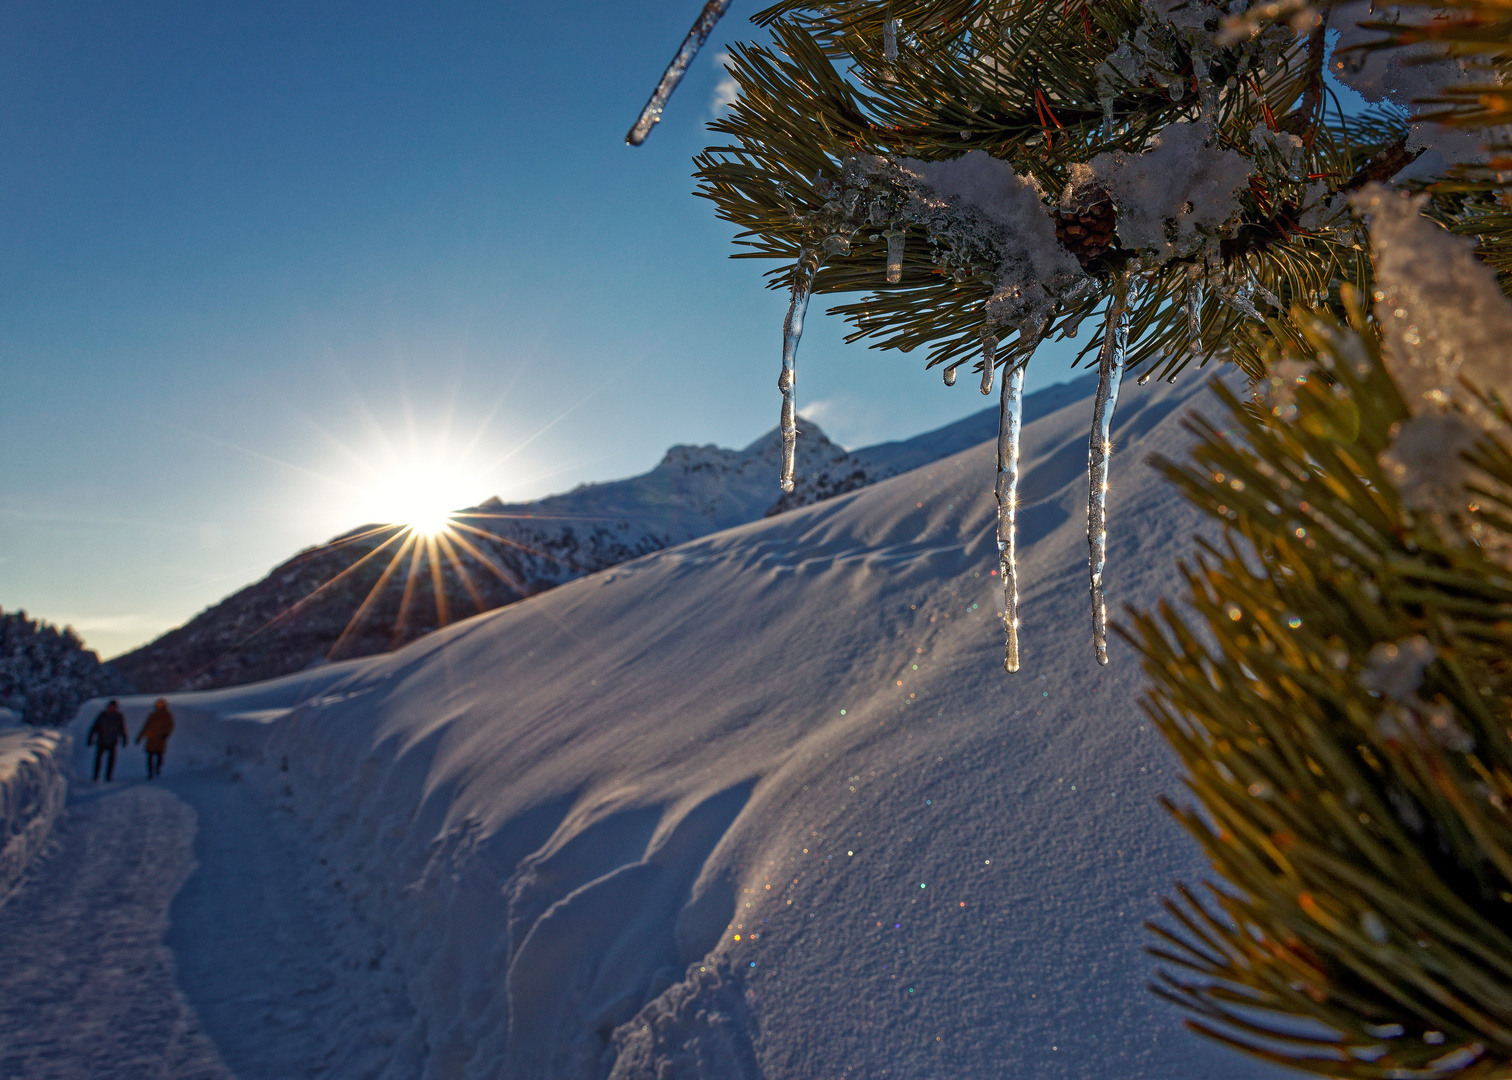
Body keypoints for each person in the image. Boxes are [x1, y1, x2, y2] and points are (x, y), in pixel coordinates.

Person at [86, 700, 129, 782]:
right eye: (110, 706)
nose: (111, 708)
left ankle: (108, 776)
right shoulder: (102, 715)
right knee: (98, 759)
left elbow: (122, 728)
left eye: (113, 707)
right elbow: (94, 727)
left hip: (112, 741)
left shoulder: (119, 716)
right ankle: (96, 776)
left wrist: (124, 739)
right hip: (101, 740)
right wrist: (90, 739)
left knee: (111, 760)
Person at [136, 698, 175, 779]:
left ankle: (157, 768)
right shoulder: (152, 715)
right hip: (151, 738)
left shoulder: (167, 715)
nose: (159, 707)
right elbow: (146, 726)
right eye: (158, 705)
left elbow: (170, 726)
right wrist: (140, 737)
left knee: (159, 755)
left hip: (161, 739)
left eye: (161, 705)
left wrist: (166, 734)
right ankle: (150, 772)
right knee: (150, 756)